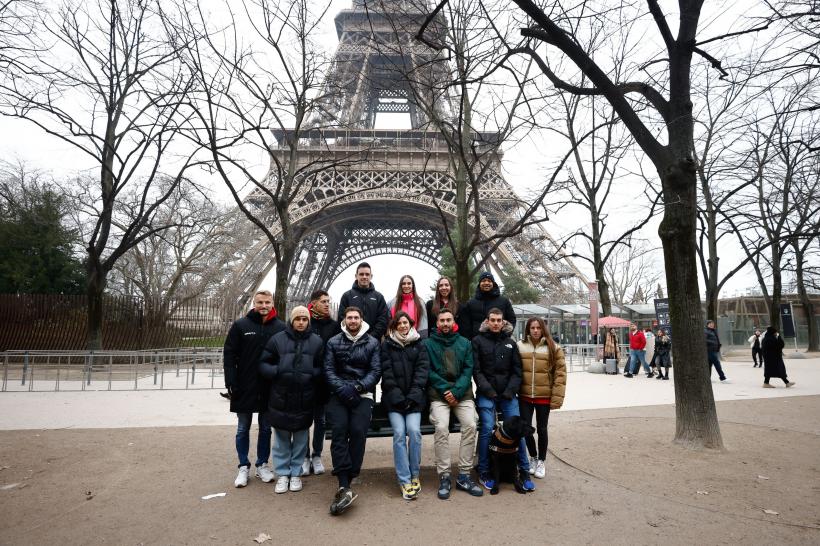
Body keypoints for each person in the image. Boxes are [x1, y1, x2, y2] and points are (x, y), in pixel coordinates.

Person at [258, 306, 325, 494]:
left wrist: (312, 374)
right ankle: (283, 474)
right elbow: (263, 362)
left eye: (305, 319)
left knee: (301, 439)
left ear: (309, 321)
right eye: (298, 319)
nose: (301, 322)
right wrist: (276, 372)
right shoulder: (277, 340)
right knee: (281, 439)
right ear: (292, 320)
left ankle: (295, 473)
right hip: (281, 396)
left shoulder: (316, 342)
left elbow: (323, 366)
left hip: (305, 396)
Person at [223, 290, 285, 487]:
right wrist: (230, 381)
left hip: (269, 386)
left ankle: (262, 465)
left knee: (266, 428)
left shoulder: (281, 327)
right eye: (260, 302)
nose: (263, 305)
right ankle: (243, 466)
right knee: (243, 428)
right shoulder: (241, 325)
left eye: (267, 302)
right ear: (254, 303)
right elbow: (229, 354)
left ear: (272, 303)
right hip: (244, 385)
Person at [324, 306, 382, 515]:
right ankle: (344, 482)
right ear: (344, 320)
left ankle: (349, 476)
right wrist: (342, 389)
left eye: (356, 317)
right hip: (339, 395)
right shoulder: (333, 342)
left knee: (358, 431)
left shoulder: (373, 343)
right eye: (349, 317)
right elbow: (328, 370)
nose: (353, 320)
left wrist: (357, 387)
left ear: (361, 320)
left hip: (362, 394)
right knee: (339, 431)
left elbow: (375, 371)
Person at [473, 308, 535, 492]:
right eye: (492, 320)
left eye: (499, 320)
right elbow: (476, 371)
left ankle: (523, 470)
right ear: (487, 321)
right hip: (487, 393)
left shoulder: (510, 343)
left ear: (503, 322)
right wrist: (489, 391)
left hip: (508, 395)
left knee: (519, 429)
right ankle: (484, 471)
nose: (495, 323)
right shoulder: (477, 341)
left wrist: (509, 391)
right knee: (486, 428)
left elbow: (517, 371)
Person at [425, 308, 483, 499]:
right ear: (437, 323)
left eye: (448, 320)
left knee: (471, 425)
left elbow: (468, 370)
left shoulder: (464, 343)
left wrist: (456, 391)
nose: (445, 323)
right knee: (441, 427)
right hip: (439, 395)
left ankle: (464, 475)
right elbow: (429, 372)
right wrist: (445, 391)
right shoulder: (428, 344)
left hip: (462, 394)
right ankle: (444, 475)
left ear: (454, 321)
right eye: (442, 320)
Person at [380, 311, 429, 500]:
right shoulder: (387, 346)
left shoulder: (420, 344)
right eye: (399, 323)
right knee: (399, 433)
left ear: (411, 324)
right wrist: (399, 398)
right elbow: (387, 374)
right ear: (394, 326)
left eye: (405, 322)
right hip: (394, 401)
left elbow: (422, 372)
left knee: (414, 432)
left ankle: (415, 474)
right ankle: (404, 479)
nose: (403, 326)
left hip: (414, 401)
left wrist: (412, 396)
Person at [517, 317, 566, 480]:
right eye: (532, 328)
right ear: (528, 330)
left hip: (544, 396)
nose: (536, 330)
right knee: (525, 428)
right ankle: (533, 457)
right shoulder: (520, 345)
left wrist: (556, 397)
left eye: (538, 327)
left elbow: (560, 374)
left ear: (543, 329)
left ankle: (542, 461)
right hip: (524, 395)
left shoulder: (554, 347)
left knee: (542, 429)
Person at [300, 289, 341, 477]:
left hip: (324, 379)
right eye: (324, 301)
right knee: (304, 420)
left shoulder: (334, 325)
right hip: (306, 378)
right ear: (314, 302)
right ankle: (305, 456)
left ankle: (316, 455)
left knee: (321, 420)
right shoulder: (304, 323)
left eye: (328, 301)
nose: (327, 304)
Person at [337, 262, 389, 341]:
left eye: (367, 274)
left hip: (373, 341)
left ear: (371, 276)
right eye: (361, 274)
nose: (364, 277)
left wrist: (372, 337)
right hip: (351, 341)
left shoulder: (379, 297)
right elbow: (342, 318)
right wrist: (353, 336)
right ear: (356, 276)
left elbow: (383, 319)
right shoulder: (346, 296)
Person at [458, 271, 516, 340]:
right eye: (483, 281)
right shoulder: (471, 303)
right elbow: (465, 324)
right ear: (479, 283)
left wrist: (506, 335)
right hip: (477, 343)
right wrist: (471, 339)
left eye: (489, 281)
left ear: (493, 283)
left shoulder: (504, 301)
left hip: (500, 341)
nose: (486, 283)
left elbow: (512, 319)